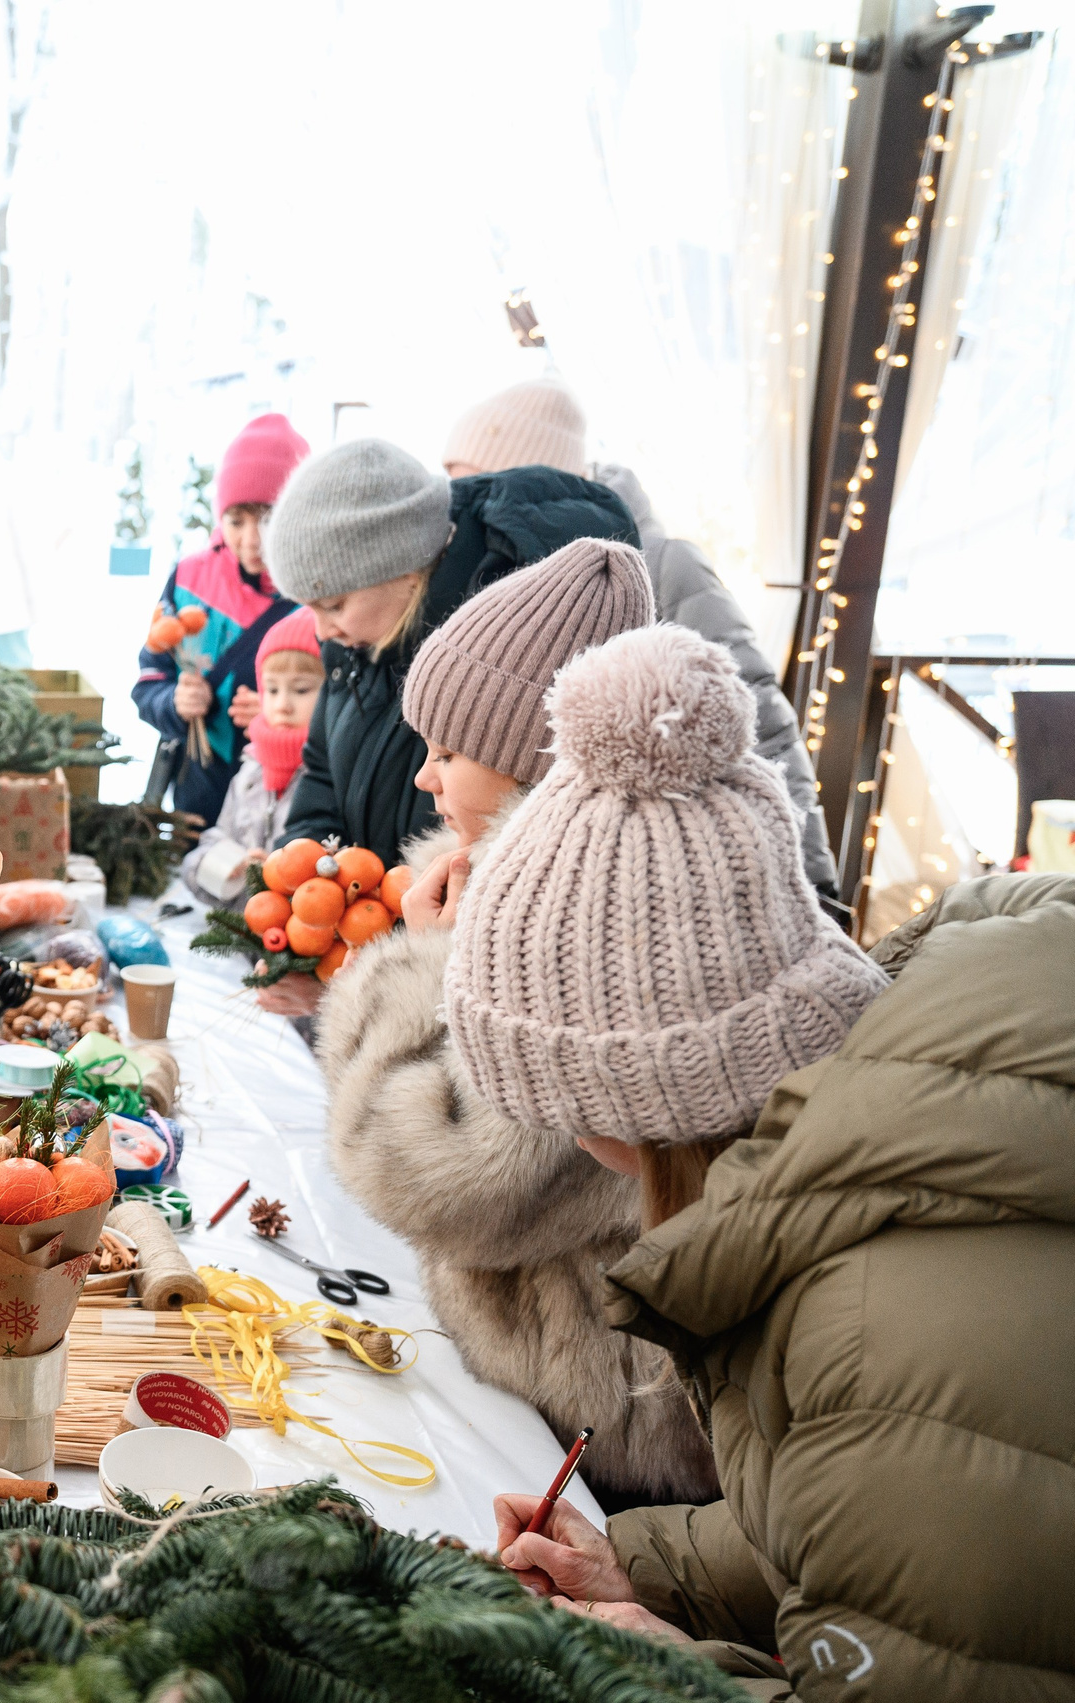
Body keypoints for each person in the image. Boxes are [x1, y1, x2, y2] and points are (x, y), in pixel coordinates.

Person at [453, 624, 1073, 1693]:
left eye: (552, 1096)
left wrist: (676, 1674)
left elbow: (901, 1492)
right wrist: (642, 1565)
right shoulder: (859, 1166)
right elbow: (878, 1522)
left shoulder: (881, 1331)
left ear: (632, 1097)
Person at [315, 539, 717, 1509]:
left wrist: (419, 964)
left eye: (447, 753)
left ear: (538, 768)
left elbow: (421, 1172)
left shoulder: (576, 928)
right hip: (570, 1395)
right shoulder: (550, 881)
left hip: (602, 1429)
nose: (423, 778)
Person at [442, 376, 837, 897]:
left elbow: (759, 725)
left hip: (662, 875)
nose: (461, 504)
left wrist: (810, 884)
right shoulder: (488, 568)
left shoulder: (664, 564)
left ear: (531, 471)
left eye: (473, 482)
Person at [263, 437, 637, 865]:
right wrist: (306, 864)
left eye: (333, 604)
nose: (322, 629)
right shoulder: (351, 649)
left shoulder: (501, 651)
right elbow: (323, 772)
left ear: (403, 569)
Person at [132, 413, 308, 822]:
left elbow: (340, 714)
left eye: (268, 518)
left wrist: (282, 714)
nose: (252, 539)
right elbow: (149, 678)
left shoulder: (318, 595)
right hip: (197, 801)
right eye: (236, 520)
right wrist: (173, 702)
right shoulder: (190, 580)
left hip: (281, 810)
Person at [179, 609, 323, 905]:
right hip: (239, 937)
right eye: (271, 689)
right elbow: (212, 843)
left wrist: (281, 873)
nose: (282, 705)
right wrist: (227, 866)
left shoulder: (329, 776)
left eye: (301, 689)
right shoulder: (251, 767)